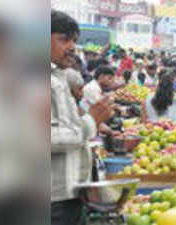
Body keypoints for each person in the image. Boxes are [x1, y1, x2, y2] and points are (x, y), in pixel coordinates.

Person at [51, 10, 113, 225]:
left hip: (68, 195)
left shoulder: (58, 78)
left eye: (74, 41)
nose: (71, 47)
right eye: (64, 39)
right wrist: (91, 121)